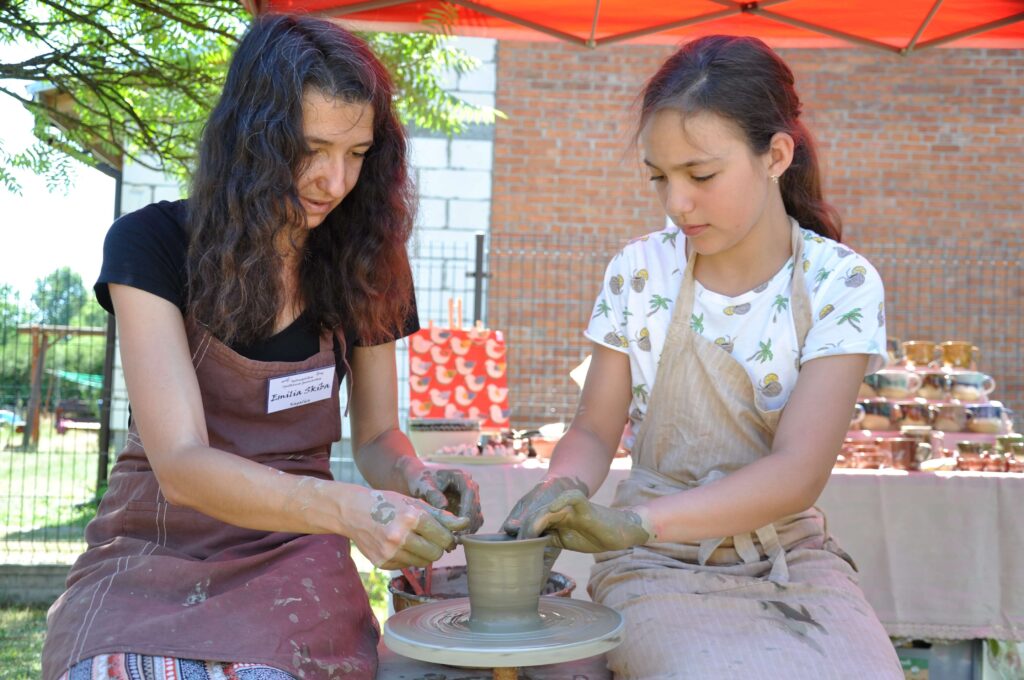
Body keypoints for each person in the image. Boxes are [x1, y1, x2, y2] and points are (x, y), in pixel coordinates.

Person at [43, 14, 482, 680]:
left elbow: (375, 437)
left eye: (357, 153)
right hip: (156, 544)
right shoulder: (151, 244)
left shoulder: (368, 262)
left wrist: (413, 476)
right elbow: (181, 464)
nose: (335, 181)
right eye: (312, 148)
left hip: (293, 554)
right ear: (253, 138)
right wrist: (347, 510)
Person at [503, 35, 902, 678]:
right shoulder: (641, 271)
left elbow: (797, 472)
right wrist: (562, 489)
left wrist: (634, 521)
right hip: (652, 564)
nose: (676, 202)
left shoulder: (840, 283)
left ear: (775, 156)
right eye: (659, 177)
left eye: (701, 175)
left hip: (789, 559)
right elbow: (594, 429)